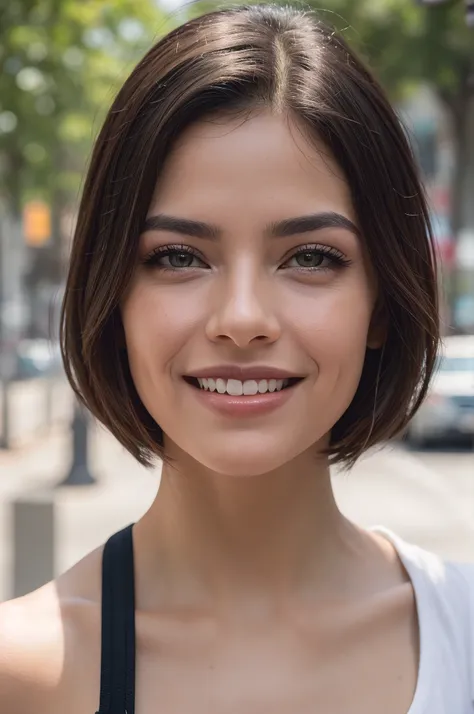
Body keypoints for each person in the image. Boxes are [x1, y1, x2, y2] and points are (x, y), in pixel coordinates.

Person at [1, 3, 473, 712]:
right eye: (179, 257)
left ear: (381, 300)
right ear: (113, 295)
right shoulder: (22, 673)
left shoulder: (462, 637)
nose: (243, 318)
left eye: (311, 257)